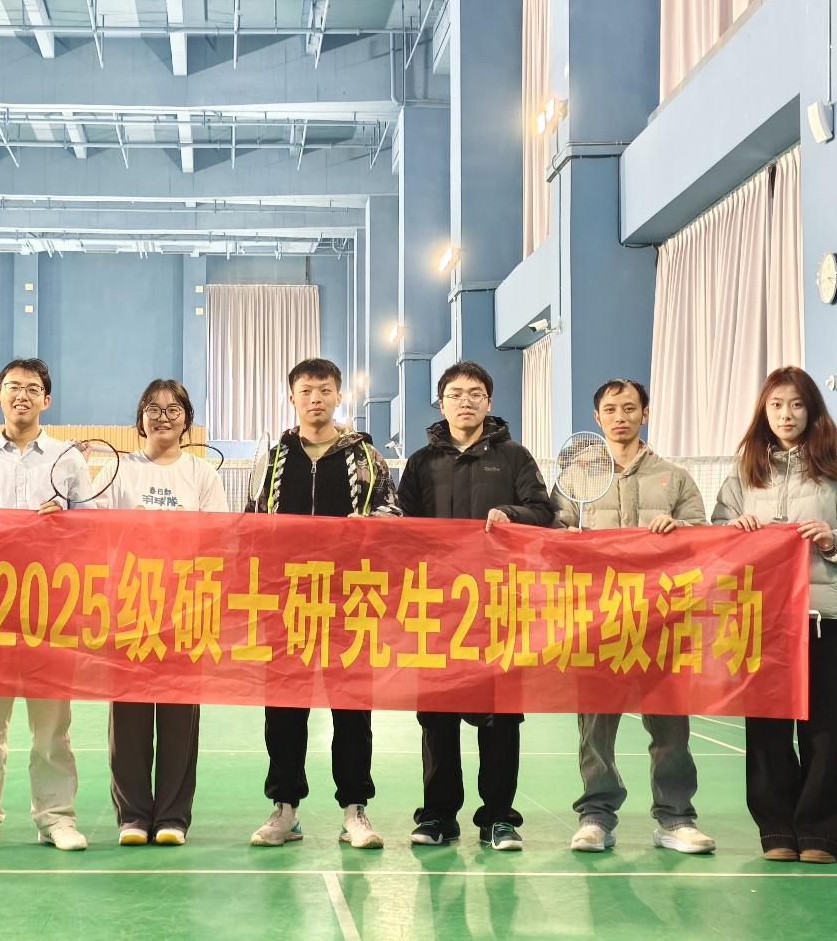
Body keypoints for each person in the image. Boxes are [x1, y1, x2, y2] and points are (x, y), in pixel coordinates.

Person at [713, 366, 837, 864]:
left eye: (796, 404)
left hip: (824, 615)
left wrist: (833, 540)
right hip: (762, 617)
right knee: (766, 727)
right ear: (764, 411)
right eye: (776, 405)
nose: (786, 414)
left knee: (826, 728)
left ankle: (822, 835)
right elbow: (718, 530)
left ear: (811, 410)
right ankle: (776, 831)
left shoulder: (835, 466)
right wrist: (734, 529)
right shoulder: (746, 468)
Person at [553, 379, 715, 855]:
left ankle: (675, 818)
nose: (619, 416)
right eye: (610, 409)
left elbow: (704, 537)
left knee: (671, 727)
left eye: (629, 408)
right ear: (597, 417)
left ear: (645, 413)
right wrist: (565, 536)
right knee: (595, 729)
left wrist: (679, 527)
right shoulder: (576, 478)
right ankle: (596, 817)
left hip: (661, 620)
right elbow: (552, 532)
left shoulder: (674, 477)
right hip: (597, 619)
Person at [396, 361, 554, 851]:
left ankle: (498, 818)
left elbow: (543, 512)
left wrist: (510, 512)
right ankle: (438, 816)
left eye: (476, 393)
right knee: (436, 717)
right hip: (438, 608)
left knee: (501, 719)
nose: (465, 401)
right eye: (456, 394)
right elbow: (402, 527)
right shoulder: (421, 462)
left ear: (488, 402)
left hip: (499, 608)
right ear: (441, 403)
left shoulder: (514, 457)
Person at [247, 357, 401, 850]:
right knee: (284, 709)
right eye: (306, 390)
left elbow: (394, 513)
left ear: (338, 396)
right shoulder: (272, 460)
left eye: (325, 389)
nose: (316, 398)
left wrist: (371, 525)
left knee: (352, 709)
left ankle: (355, 809)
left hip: (350, 600)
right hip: (287, 602)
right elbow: (250, 521)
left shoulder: (366, 458)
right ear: (292, 397)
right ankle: (284, 808)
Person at [0, 359, 90, 853]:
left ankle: (56, 818)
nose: (22, 395)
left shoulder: (69, 460)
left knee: (52, 728)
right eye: (13, 387)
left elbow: (92, 532)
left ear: (46, 400)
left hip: (52, 609)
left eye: (32, 388)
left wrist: (66, 521)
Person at [95, 378, 229, 846]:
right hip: (130, 607)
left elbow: (217, 542)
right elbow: (93, 532)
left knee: (178, 719)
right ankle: (132, 816)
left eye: (174, 409)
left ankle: (172, 816)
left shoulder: (202, 476)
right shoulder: (117, 472)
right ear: (141, 418)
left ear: (186, 419)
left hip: (185, 611)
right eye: (153, 409)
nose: (163, 417)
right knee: (128, 718)